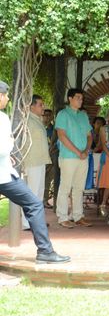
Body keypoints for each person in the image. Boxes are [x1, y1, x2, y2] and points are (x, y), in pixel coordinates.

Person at [0, 81, 70, 264]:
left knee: (34, 202)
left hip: (5, 172)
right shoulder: (2, 118)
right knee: (34, 204)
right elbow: (3, 148)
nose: (7, 98)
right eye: (5, 95)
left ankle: (45, 251)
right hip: (3, 177)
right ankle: (45, 251)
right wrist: (10, 144)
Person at [55, 88, 93, 228]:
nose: (80, 100)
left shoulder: (83, 115)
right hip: (68, 157)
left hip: (83, 157)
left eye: (82, 98)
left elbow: (89, 135)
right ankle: (62, 217)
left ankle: (78, 216)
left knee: (79, 188)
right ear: (70, 98)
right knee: (65, 187)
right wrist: (78, 152)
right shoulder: (63, 114)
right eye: (78, 98)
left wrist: (86, 150)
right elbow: (61, 136)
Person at [20, 95, 52, 230]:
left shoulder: (37, 120)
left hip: (40, 161)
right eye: (40, 104)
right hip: (32, 161)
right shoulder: (27, 120)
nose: (43, 107)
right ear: (31, 106)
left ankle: (36, 222)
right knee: (32, 193)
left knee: (38, 192)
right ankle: (28, 223)